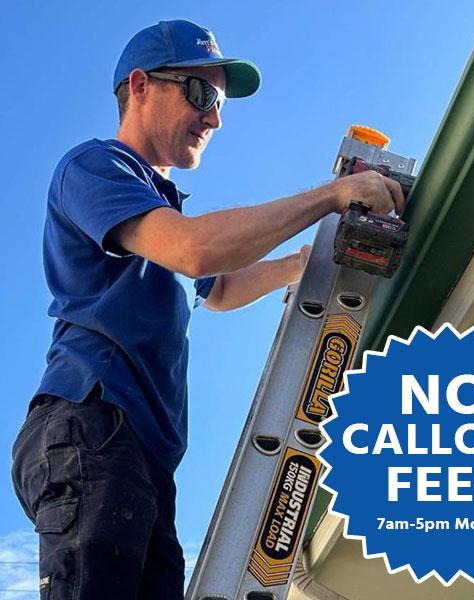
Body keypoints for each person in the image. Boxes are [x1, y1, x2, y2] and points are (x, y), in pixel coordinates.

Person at [11, 19, 404, 600]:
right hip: (92, 423)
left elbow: (217, 289)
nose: (214, 117)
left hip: (141, 455)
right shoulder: (97, 168)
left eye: (219, 103)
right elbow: (195, 252)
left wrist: (301, 266)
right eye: (202, 93)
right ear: (140, 86)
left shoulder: (153, 209)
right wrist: (330, 196)